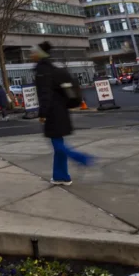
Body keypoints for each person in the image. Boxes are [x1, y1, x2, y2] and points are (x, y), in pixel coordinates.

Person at [32, 42, 93, 185]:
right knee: (58, 145)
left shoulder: (43, 71)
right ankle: (61, 176)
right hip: (61, 111)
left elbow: (45, 94)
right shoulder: (52, 69)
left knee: (58, 145)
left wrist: (43, 113)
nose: (31, 55)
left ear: (39, 54)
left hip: (52, 113)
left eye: (33, 52)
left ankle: (81, 158)